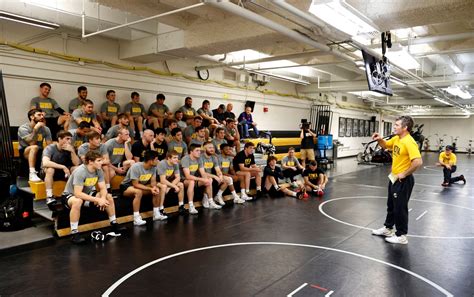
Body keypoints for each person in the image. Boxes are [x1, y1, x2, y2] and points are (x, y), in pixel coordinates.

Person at [371, 116, 423, 245]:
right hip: (394, 177)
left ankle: (401, 235)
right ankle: (388, 228)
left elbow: (418, 162)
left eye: (397, 125)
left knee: (400, 208)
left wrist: (404, 174)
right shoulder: (397, 139)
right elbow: (385, 145)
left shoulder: (409, 142)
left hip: (403, 180)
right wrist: (379, 139)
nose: (394, 127)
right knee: (391, 205)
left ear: (405, 128)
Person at [62, 151, 122, 244]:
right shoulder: (80, 171)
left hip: (87, 194)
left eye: (101, 160)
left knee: (108, 196)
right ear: (90, 161)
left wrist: (102, 198)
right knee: (77, 201)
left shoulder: (99, 170)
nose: (101, 163)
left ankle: (114, 224)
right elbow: (77, 193)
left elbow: (103, 188)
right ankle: (74, 233)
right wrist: (98, 199)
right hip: (70, 196)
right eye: (99, 161)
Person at [121, 150, 167, 225]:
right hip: (127, 186)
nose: (158, 161)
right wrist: (150, 189)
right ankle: (136, 218)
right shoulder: (136, 167)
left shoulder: (153, 167)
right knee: (138, 192)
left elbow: (153, 182)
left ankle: (156, 214)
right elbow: (135, 184)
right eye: (156, 159)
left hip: (141, 186)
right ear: (151, 161)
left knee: (157, 189)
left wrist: (154, 187)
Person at [41, 130, 80, 208]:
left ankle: (77, 192)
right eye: (67, 139)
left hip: (64, 173)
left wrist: (72, 152)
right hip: (50, 173)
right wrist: (63, 167)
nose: (69, 141)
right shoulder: (50, 148)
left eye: (70, 139)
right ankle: (49, 196)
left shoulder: (70, 149)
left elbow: (77, 163)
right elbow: (45, 163)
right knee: (50, 169)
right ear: (59, 139)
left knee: (77, 169)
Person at [181, 144, 221, 214]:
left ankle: (210, 201)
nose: (199, 152)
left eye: (199, 150)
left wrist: (207, 180)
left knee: (209, 179)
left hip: (194, 178)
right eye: (197, 150)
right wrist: (202, 179)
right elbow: (187, 176)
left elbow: (203, 173)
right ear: (191, 152)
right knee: (191, 182)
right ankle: (191, 206)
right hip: (183, 180)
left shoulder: (199, 158)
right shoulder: (185, 159)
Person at [18, 108, 52, 181]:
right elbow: (31, 143)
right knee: (34, 147)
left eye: (42, 115)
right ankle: (32, 173)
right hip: (26, 150)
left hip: (39, 150)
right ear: (32, 117)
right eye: (39, 115)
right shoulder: (23, 128)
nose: (42, 117)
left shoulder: (46, 129)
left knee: (52, 149)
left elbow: (49, 145)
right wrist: (35, 129)